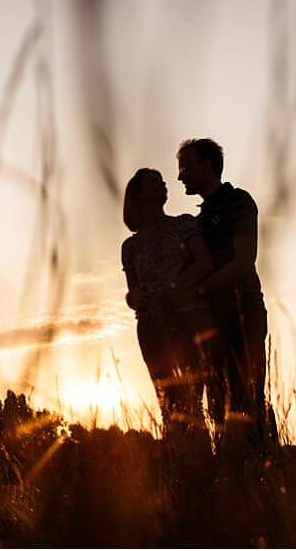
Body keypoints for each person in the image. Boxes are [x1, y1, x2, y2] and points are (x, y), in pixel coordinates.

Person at [176, 138, 273, 443]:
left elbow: (244, 261)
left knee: (247, 396)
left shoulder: (238, 202)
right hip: (212, 322)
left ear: (207, 165)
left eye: (186, 167)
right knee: (219, 403)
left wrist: (201, 288)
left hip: (243, 311)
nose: (181, 176)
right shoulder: (198, 221)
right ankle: (231, 477)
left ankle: (266, 474)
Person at [120, 168, 218, 436]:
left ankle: (203, 460)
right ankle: (179, 462)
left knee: (192, 397)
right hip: (152, 326)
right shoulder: (131, 246)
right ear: (139, 195)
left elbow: (205, 263)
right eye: (155, 183)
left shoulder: (184, 225)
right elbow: (132, 293)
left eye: (163, 182)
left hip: (188, 318)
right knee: (168, 401)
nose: (163, 186)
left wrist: (172, 287)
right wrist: (136, 298)